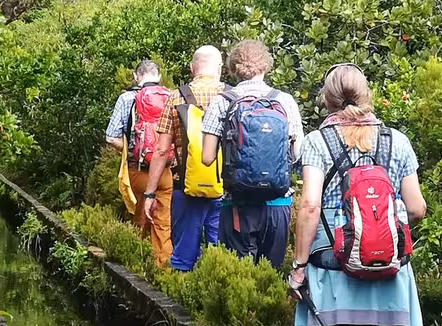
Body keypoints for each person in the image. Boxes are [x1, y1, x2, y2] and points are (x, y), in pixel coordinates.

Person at [288, 62, 428, 326]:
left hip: (332, 277)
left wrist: (299, 266)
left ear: (327, 99)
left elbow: (311, 204)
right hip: (386, 279)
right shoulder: (396, 141)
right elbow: (417, 207)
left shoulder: (318, 142)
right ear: (367, 96)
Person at [199, 40, 304, 267]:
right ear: (265, 66)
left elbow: (207, 158)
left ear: (234, 68)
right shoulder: (284, 101)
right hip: (277, 204)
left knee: (240, 276)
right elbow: (297, 155)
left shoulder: (222, 102)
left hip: (237, 204)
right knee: (272, 276)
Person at [142, 46, 227, 272]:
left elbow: (161, 151)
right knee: (221, 256)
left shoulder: (176, 96)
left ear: (192, 68)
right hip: (224, 188)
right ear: (219, 68)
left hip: (185, 186)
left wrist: (150, 193)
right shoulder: (232, 96)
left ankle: (181, 299)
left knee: (182, 257)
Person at [104, 59, 173, 266]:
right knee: (163, 223)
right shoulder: (172, 97)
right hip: (165, 171)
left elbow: (110, 137)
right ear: (159, 77)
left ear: (136, 76)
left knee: (140, 220)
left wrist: (128, 151)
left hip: (139, 170)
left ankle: (138, 266)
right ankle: (163, 270)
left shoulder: (127, 98)